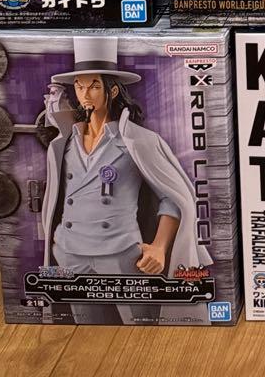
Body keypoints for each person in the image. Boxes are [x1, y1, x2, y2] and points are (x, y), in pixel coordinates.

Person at [42, 37, 211, 324]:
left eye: (94, 86)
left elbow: (174, 197)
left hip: (121, 253)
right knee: (87, 329)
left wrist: (159, 246)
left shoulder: (139, 140)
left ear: (112, 90)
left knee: (141, 326)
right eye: (79, 86)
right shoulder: (64, 143)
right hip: (70, 251)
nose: (85, 94)